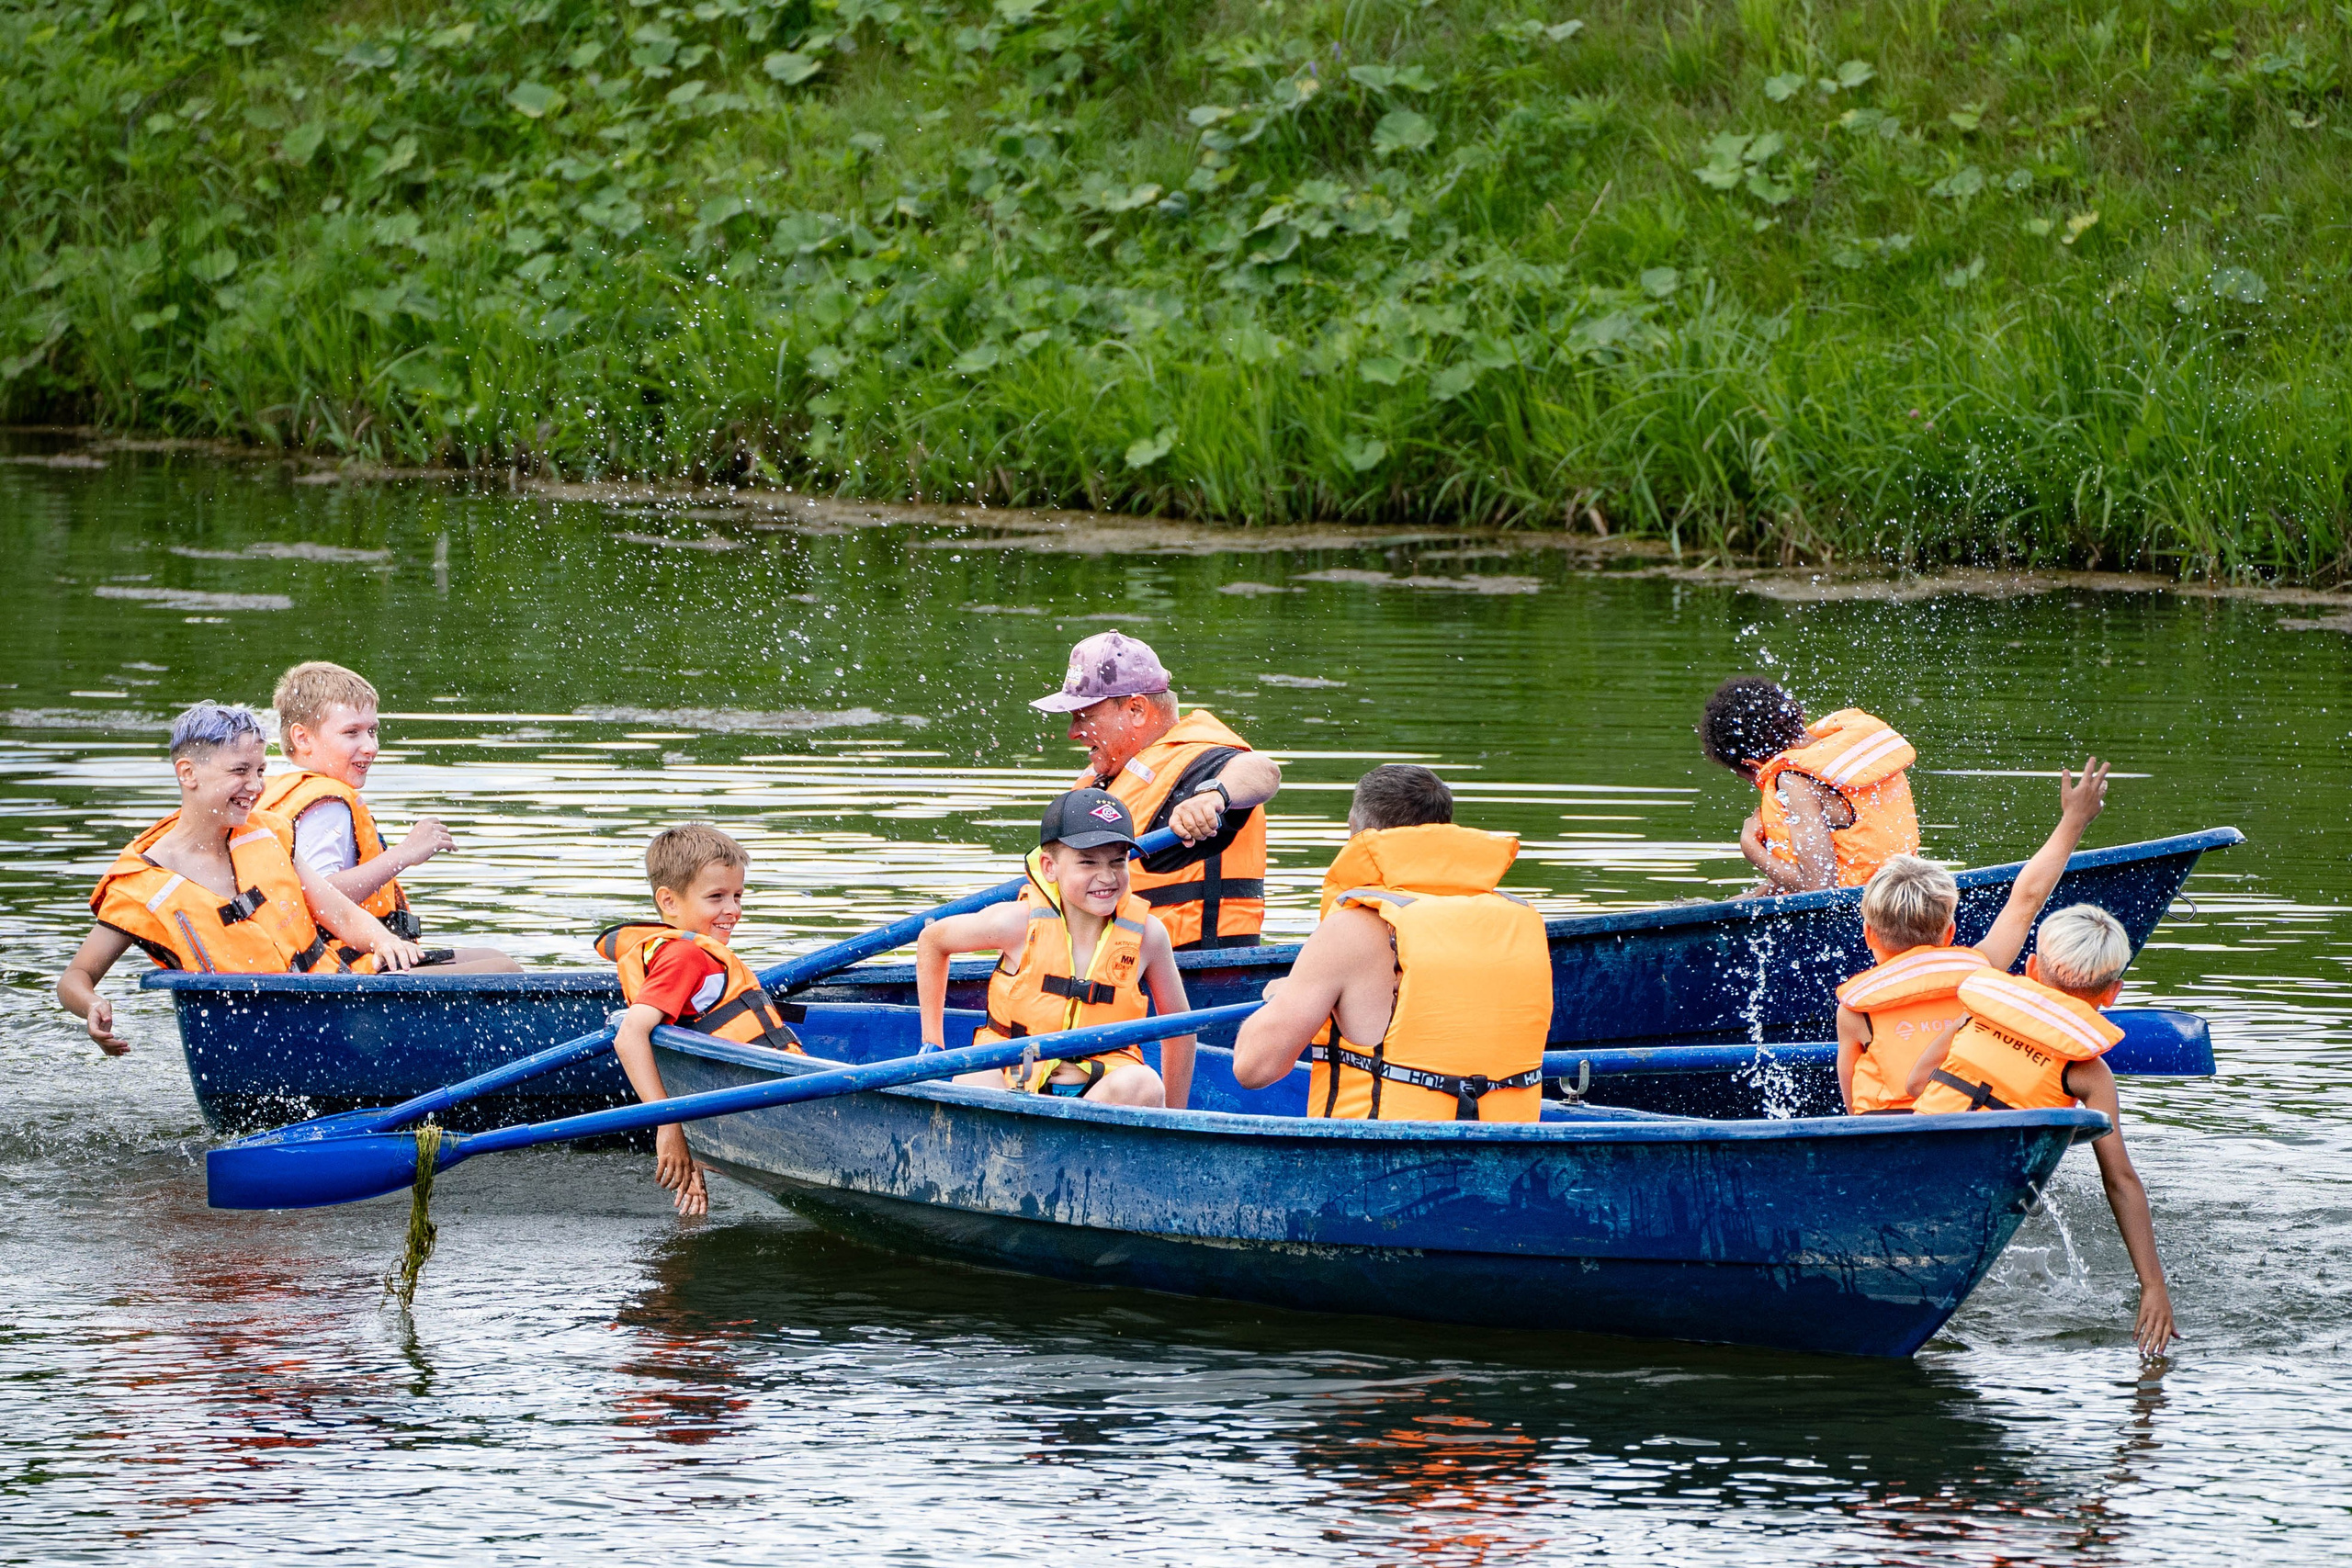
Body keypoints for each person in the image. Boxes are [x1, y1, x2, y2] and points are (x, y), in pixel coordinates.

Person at [59, 701, 428, 1054]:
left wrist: (384, 941)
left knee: (460, 968)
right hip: (252, 1036)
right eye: (239, 771)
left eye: (260, 771)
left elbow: (341, 914)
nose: (255, 786)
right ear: (188, 773)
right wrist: (91, 1004)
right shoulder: (142, 884)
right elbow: (76, 976)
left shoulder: (268, 833)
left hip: (335, 1005)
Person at [1907, 904, 2177, 1356]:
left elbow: (1917, 1083)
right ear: (2112, 993)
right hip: (1986, 1199)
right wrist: (2153, 1286)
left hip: (1914, 1167)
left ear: (2032, 967)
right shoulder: (2089, 1072)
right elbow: (2120, 1180)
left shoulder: (1977, 1014)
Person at [1232, 764, 1553, 1121]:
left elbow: (1253, 1069)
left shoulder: (1354, 928)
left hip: (1379, 1150)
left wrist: (1288, 995)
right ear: (1444, 828)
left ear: (1357, 831)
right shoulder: (1520, 920)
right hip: (1509, 1146)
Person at [1835, 758, 2111, 1114]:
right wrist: (2074, 819)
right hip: (1969, 1121)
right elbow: (2027, 898)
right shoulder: (1982, 973)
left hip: (1890, 1130)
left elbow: (1852, 1106)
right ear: (1950, 931)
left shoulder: (1854, 1011)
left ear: (1869, 933)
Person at [915, 789, 1197, 1108]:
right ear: (1050, 867)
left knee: (1144, 1083)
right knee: (972, 1077)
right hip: (1013, 1076)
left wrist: (1174, 1119)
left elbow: (1182, 1031)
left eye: (1118, 861)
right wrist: (932, 1045)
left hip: (1100, 1089)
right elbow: (933, 941)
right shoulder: (1014, 923)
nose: (1106, 877)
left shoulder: (1149, 935)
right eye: (1087, 862)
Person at [598, 823, 808, 1217]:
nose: (733, 910)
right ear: (669, 901)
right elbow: (630, 1036)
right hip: (764, 1097)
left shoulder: (685, 952)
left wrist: (695, 1140)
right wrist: (671, 1126)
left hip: (747, 1093)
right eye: (716, 897)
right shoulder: (685, 956)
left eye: (737, 896)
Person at [260, 660, 517, 973]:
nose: (370, 746)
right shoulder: (327, 803)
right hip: (340, 971)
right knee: (504, 971)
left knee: (492, 957)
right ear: (302, 738)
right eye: (351, 733)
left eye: (372, 731)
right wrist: (404, 853)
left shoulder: (281, 791)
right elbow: (317, 897)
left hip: (327, 962)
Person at [1031, 631, 1283, 950]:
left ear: (1136, 709)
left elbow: (1262, 770)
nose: (1073, 732)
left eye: (1085, 716)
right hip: (1105, 962)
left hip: (1193, 968)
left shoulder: (1200, 766)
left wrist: (1212, 796)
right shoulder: (1105, 777)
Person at [1699, 676, 1920, 894]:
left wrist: (1751, 847)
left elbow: (1818, 889)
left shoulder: (1793, 780)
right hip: (1907, 892)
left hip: (1862, 908)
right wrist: (1754, 896)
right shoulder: (1851, 752)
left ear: (1751, 766)